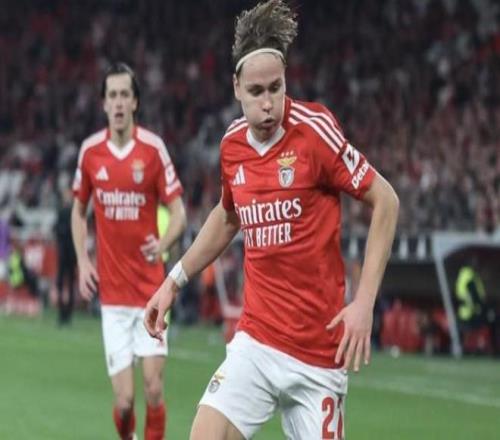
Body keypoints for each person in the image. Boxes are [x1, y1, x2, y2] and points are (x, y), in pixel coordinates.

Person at [145, 1, 399, 439]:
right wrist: (173, 282)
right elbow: (228, 217)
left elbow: (387, 201)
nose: (268, 104)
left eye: (276, 88)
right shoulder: (232, 146)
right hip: (257, 343)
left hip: (318, 356)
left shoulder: (315, 132)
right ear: (236, 88)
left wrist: (364, 303)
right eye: (256, 91)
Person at [72, 62, 186, 440]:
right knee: (124, 402)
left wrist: (164, 244)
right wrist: (83, 260)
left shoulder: (153, 150)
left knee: (153, 388)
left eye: (125, 95)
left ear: (135, 102)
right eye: (112, 95)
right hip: (114, 299)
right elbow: (78, 210)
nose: (118, 102)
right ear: (104, 103)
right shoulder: (91, 153)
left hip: (151, 293)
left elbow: (180, 214)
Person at [54, 186, 77, 326]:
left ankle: (67, 312)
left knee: (66, 283)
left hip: (67, 253)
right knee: (63, 283)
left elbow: (57, 230)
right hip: (66, 253)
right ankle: (63, 312)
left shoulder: (69, 213)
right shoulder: (66, 212)